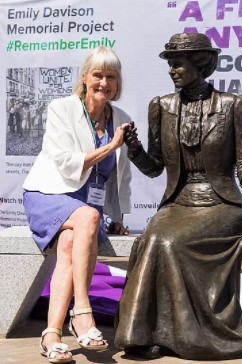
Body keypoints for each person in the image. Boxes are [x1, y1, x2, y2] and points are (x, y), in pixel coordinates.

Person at [114, 33, 242, 360]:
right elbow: (155, 169)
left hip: (221, 204)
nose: (172, 71)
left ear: (201, 64)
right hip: (179, 201)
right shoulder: (162, 107)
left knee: (170, 242)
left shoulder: (233, 106)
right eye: (170, 64)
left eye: (178, 64)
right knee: (153, 239)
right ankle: (141, 334)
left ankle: (188, 337)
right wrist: (134, 149)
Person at [23, 46, 132, 364]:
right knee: (86, 216)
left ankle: (52, 335)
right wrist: (110, 146)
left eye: (111, 76)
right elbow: (66, 163)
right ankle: (82, 311)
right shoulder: (62, 108)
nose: (104, 82)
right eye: (98, 74)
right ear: (85, 77)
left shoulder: (121, 119)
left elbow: (119, 177)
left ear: (118, 82)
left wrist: (118, 216)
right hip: (50, 194)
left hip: (86, 209)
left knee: (71, 241)